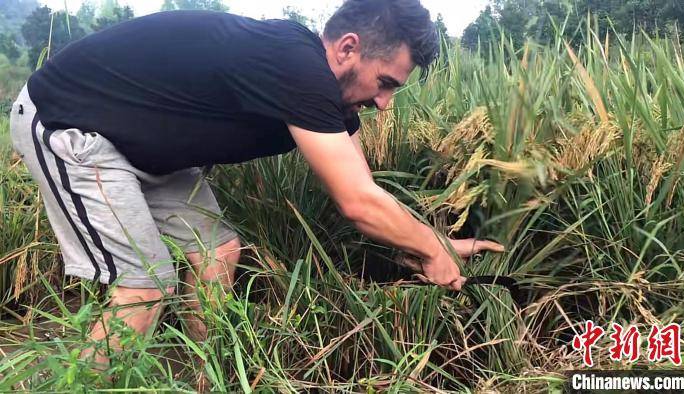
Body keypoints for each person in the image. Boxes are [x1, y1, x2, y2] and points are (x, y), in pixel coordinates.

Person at [9, 0, 504, 374]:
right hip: (70, 124)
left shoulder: (327, 95)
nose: (385, 103)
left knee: (219, 251)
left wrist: (436, 244)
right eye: (386, 82)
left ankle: (208, 378)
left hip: (145, 149)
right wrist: (433, 255)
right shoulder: (294, 65)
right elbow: (357, 206)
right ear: (348, 47)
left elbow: (367, 190)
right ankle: (78, 383)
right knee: (144, 287)